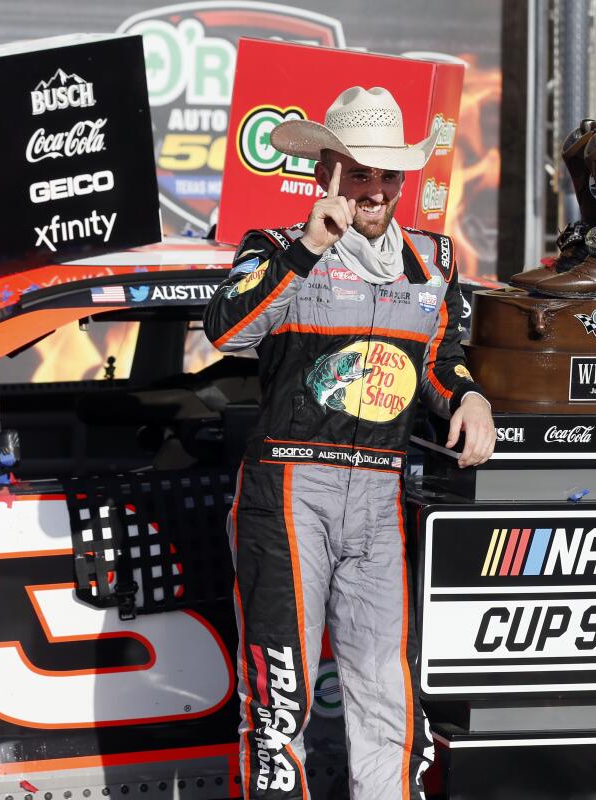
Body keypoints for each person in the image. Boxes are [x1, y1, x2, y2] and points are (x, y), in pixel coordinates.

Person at [204, 85, 494, 800]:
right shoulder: (273, 248)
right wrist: (309, 247)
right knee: (280, 699)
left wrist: (472, 396)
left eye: (386, 174)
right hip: (288, 490)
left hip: (379, 494)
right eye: (358, 172)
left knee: (386, 694)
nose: (373, 189)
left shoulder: (433, 260)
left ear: (403, 180)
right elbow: (227, 332)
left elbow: (439, 360)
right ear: (324, 171)